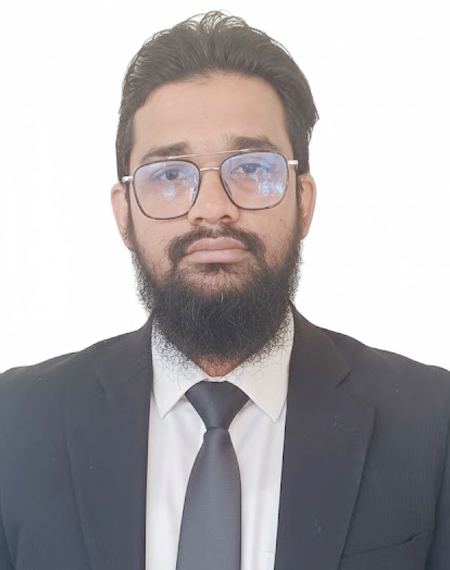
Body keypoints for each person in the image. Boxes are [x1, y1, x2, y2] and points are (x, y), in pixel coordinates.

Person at [0, 10, 449, 570]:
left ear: (303, 201)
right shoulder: (16, 421)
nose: (213, 209)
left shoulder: (432, 424)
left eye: (252, 169)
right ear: (124, 214)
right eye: (169, 175)